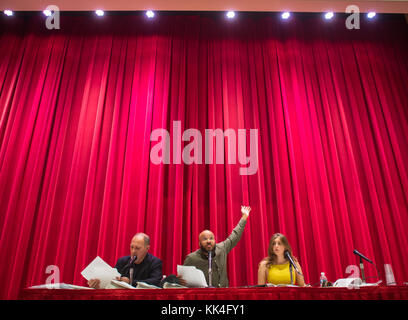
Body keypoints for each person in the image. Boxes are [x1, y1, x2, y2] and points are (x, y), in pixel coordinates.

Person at [182, 205, 251, 287]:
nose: (208, 241)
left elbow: (235, 235)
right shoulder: (191, 258)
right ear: (199, 243)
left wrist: (244, 217)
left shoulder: (221, 249)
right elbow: (184, 281)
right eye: (204, 239)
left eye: (211, 238)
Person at [88, 233, 162, 288]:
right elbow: (113, 280)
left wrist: (130, 282)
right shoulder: (122, 261)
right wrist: (99, 284)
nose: (133, 251)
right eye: (131, 247)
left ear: (147, 248)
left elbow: (155, 281)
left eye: (137, 248)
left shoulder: (155, 262)